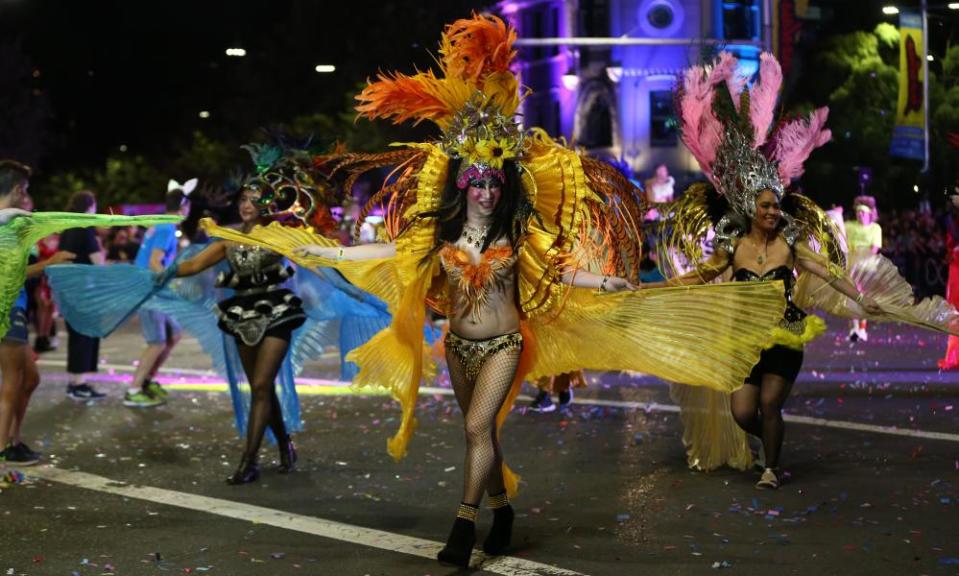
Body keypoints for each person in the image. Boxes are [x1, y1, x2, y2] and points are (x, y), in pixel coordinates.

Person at [202, 16, 790, 567]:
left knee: (478, 429)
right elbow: (387, 251)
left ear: (503, 184)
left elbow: (553, 272)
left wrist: (602, 279)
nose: (484, 190)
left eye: (492, 181)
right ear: (463, 183)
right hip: (458, 346)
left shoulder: (517, 230)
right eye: (475, 180)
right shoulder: (441, 231)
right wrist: (326, 251)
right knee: (478, 433)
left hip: (506, 343)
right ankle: (502, 510)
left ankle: (464, 526)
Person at [653, 51, 958, 488]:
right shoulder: (734, 246)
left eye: (776, 204)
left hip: (785, 336)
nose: (774, 211)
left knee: (771, 404)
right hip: (745, 339)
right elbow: (703, 275)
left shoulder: (792, 246)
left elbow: (832, 274)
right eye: (765, 206)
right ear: (750, 209)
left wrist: (860, 298)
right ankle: (769, 441)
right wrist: (662, 289)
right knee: (744, 412)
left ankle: (772, 466)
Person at [0, 160, 75, 465]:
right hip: (7, 310)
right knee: (13, 380)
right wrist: (49, 262)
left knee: (29, 379)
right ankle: (4, 449)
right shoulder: (6, 225)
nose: (27, 197)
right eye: (26, 191)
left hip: (15, 308)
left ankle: (13, 441)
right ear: (18, 190)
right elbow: (10, 272)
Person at [125, 182, 192, 408]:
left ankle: (146, 380)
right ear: (184, 206)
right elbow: (155, 262)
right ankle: (134, 390)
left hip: (154, 289)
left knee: (174, 335)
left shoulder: (163, 224)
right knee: (157, 342)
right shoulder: (166, 227)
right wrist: (171, 285)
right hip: (151, 290)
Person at [59, 191, 108, 401]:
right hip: (85, 291)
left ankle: (75, 381)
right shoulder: (85, 228)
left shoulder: (68, 227)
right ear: (89, 207)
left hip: (70, 288)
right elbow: (98, 262)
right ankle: (79, 384)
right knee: (84, 336)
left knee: (76, 336)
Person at [844, 195, 882, 342]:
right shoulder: (849, 226)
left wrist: (861, 261)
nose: (859, 214)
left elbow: (875, 248)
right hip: (851, 266)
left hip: (867, 267)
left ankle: (862, 329)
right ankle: (854, 329)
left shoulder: (875, 228)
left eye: (862, 212)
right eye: (857, 211)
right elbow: (838, 230)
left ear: (869, 214)